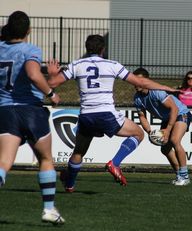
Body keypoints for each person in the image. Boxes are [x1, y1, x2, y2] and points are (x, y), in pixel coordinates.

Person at [47, 34, 178, 190]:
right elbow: (140, 82)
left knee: (79, 151)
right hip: (105, 113)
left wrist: (52, 74)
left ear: (86, 48)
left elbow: (52, 83)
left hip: (86, 116)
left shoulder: (77, 65)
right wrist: (165, 87)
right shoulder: (112, 65)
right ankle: (115, 163)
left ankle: (69, 184)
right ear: (103, 49)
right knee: (138, 134)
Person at [0, 11, 65, 225]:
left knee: (4, 162)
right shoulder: (30, 49)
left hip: (6, 111)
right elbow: (32, 74)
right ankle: (48, 209)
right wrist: (51, 94)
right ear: (29, 30)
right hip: (30, 110)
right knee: (45, 159)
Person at [133, 67, 192, 186]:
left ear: (146, 81)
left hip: (181, 113)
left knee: (175, 141)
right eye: (134, 80)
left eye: (138, 80)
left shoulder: (156, 92)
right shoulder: (137, 98)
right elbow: (142, 117)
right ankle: (179, 175)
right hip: (167, 118)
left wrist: (168, 129)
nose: (135, 83)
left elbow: (174, 108)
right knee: (165, 149)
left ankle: (185, 176)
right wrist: (149, 131)